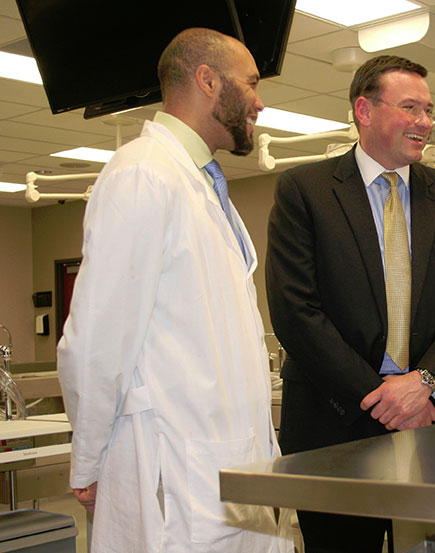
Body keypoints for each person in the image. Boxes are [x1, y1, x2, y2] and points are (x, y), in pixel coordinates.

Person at [57, 28, 289, 553]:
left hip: (228, 464)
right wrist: (89, 460)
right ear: (208, 81)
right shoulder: (142, 174)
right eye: (250, 83)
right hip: (176, 474)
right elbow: (96, 340)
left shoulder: (200, 181)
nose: (259, 101)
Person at [266, 55, 435, 552]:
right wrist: (384, 396)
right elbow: (295, 312)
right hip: (335, 425)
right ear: (364, 111)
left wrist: (423, 384)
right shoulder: (304, 192)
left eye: (430, 111)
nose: (425, 122)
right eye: (410, 107)